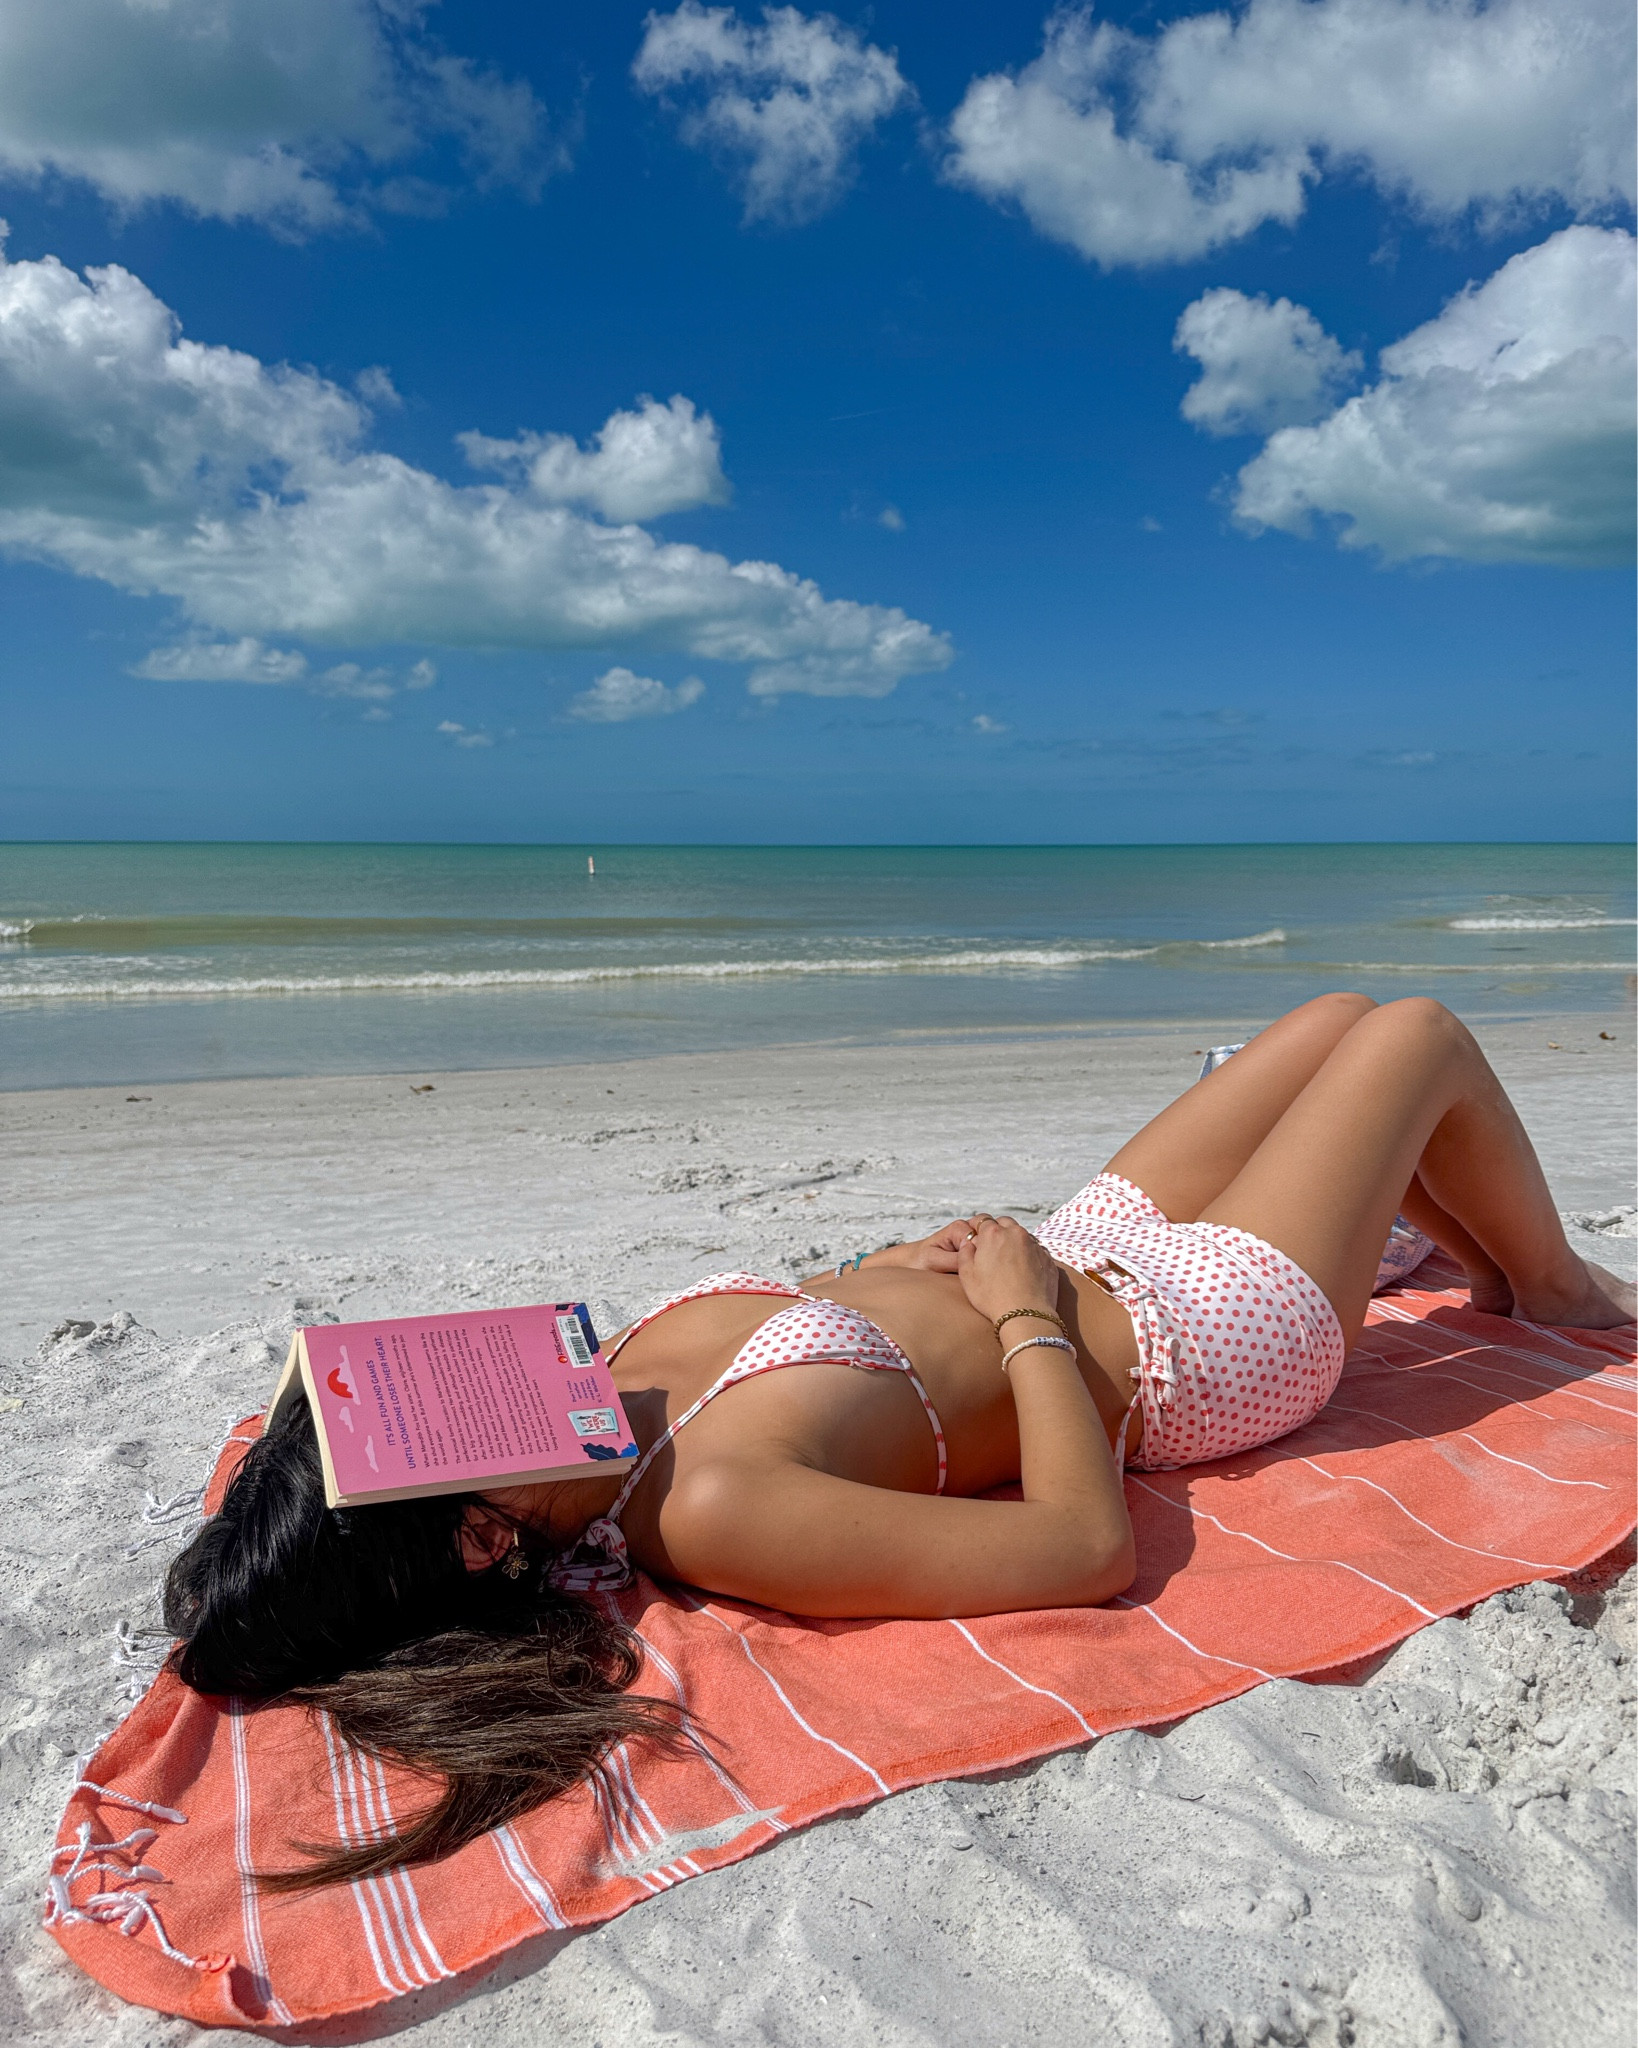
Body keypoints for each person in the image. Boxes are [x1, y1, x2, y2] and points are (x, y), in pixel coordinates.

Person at [164, 993, 1634, 1887]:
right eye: (451, 1426)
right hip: (1198, 1344)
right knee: (1413, 1038)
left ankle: (1435, 1233)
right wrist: (1020, 1322)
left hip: (1060, 1254)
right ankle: (1547, 1289)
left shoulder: (592, 1402)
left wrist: (899, 1268)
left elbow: (836, 1350)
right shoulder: (712, 1505)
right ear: (485, 1536)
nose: (467, 1370)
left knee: (1329, 1024)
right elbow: (1080, 1545)